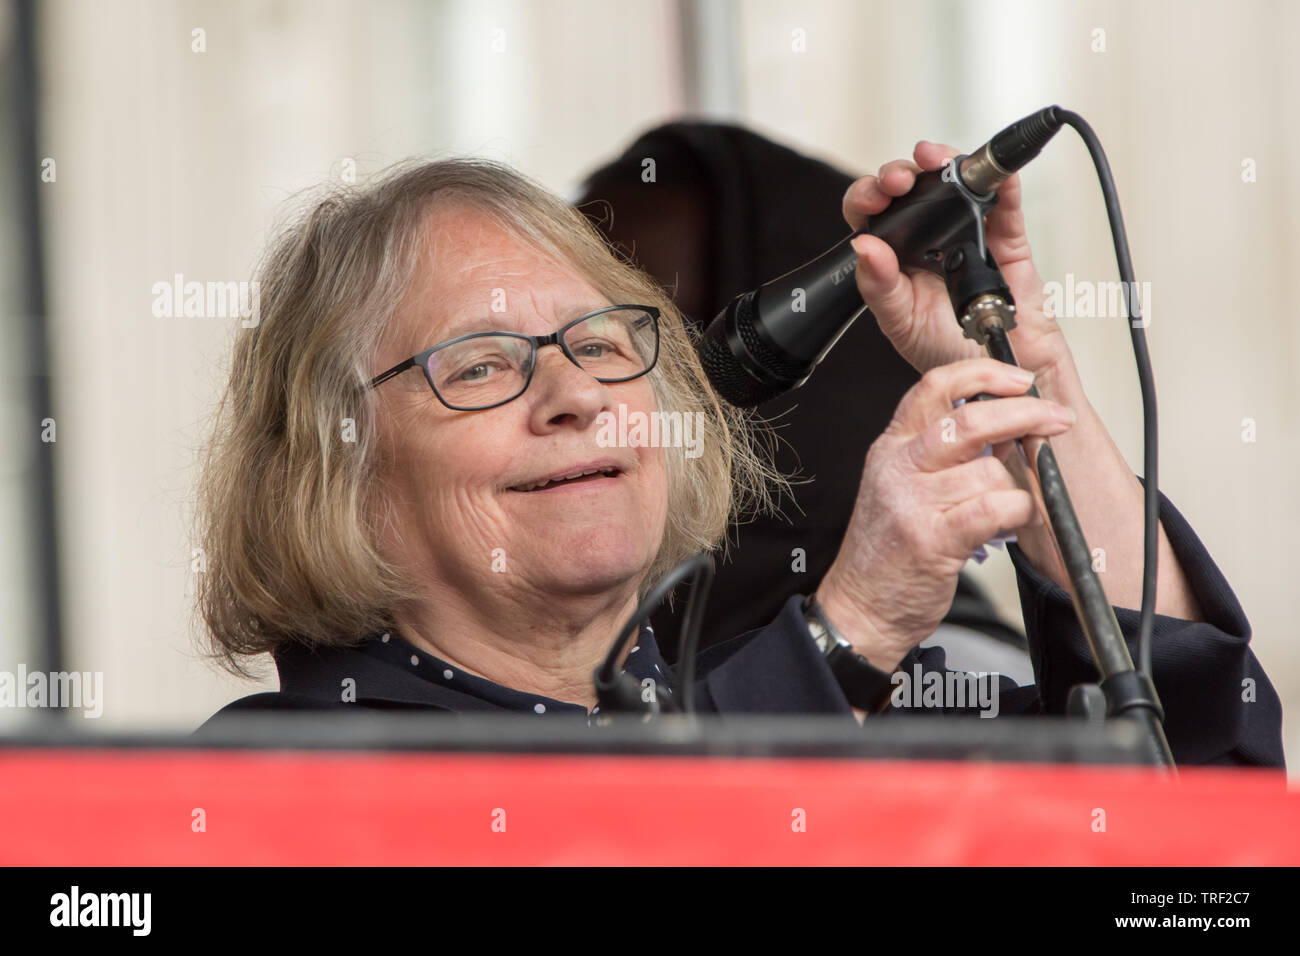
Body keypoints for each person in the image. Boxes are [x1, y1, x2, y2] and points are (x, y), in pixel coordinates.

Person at [194, 146, 1283, 768]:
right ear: (335, 465)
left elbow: (1203, 800)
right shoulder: (276, 774)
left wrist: (1029, 381)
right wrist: (849, 633)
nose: (574, 394)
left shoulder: (762, 703)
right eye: (480, 366)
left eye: (603, 342)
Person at [573, 122, 1031, 681]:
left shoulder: (958, 677)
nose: (583, 392)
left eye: (660, 329)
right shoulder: (598, 671)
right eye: (593, 339)